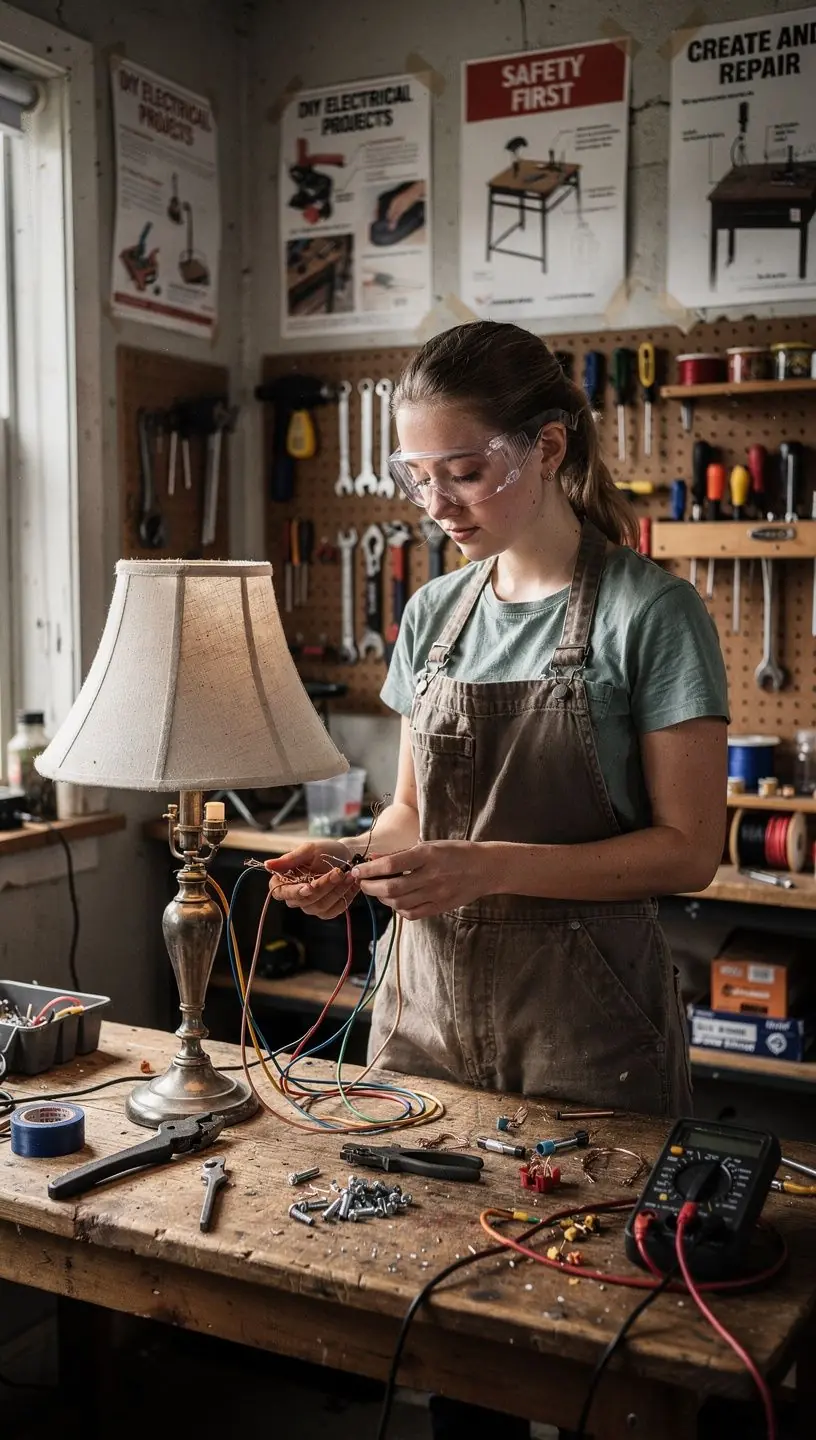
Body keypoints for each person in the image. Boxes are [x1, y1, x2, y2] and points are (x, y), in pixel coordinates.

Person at [267, 321, 728, 1439]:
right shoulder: (433, 613)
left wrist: (484, 868)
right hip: (423, 1006)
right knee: (447, 1318)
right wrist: (356, 861)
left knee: (588, 1331)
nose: (438, 502)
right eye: (417, 476)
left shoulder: (649, 614)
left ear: (549, 448)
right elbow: (413, 806)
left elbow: (688, 849)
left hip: (583, 1015)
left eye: (465, 471)